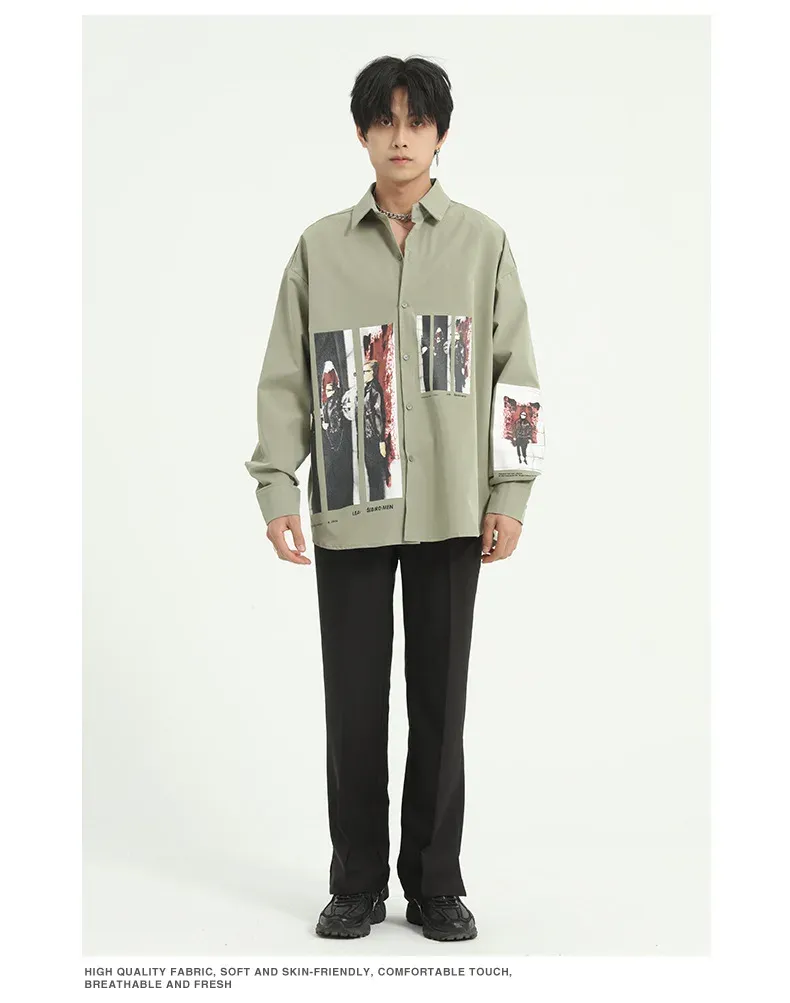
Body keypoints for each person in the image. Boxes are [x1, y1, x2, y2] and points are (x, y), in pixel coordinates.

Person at [245, 54, 545, 942]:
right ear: (363, 133)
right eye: (386, 120)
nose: (401, 137)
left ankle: (436, 882)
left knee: (441, 704)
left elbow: (515, 373)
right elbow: (286, 375)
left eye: (417, 121)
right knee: (354, 703)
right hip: (352, 498)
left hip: (454, 503)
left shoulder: (484, 243)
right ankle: (355, 881)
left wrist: (511, 490)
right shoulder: (320, 248)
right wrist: (276, 482)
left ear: (440, 133)